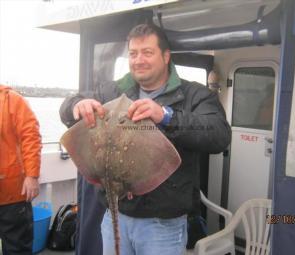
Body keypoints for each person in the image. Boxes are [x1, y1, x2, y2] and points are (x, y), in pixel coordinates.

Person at [59, 23, 231, 255]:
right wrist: (75, 106)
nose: (138, 60)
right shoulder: (112, 91)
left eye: (147, 52)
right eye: (133, 53)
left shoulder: (194, 94)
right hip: (113, 215)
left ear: (166, 56)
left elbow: (219, 135)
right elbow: (68, 107)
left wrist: (166, 116)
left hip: (162, 225)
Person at [0, 84, 42, 255]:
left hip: (13, 194)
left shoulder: (12, 100)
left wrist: (32, 176)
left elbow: (30, 136)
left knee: (17, 248)